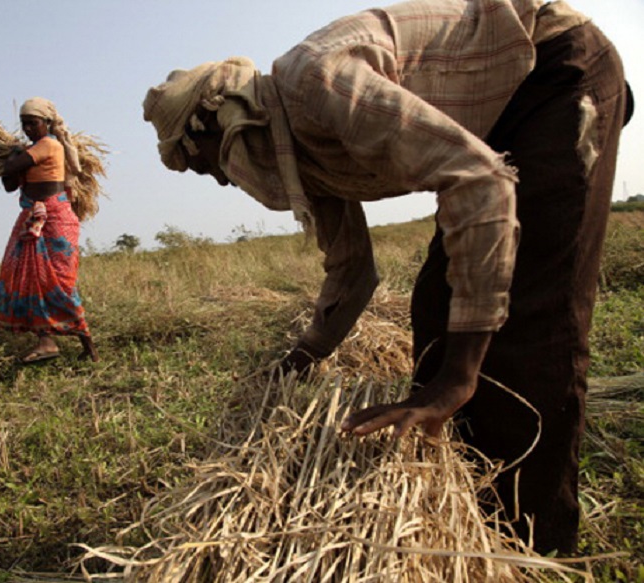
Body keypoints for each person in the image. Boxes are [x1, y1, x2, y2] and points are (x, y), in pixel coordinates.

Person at [142, 0, 633, 555]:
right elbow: (352, 269)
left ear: (214, 119)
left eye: (204, 163)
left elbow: (478, 181)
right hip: (499, 117)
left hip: (548, 72)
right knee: (433, 307)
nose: (221, 183)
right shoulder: (297, 154)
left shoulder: (315, 82)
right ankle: (475, 493)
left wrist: (456, 378)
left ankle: (537, 544)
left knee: (529, 314)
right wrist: (300, 357)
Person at [0, 97, 99, 364]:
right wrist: (14, 159)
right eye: (24, 124)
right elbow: (8, 183)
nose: (28, 128)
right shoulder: (31, 150)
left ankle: (89, 346)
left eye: (33, 123)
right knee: (31, 280)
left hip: (55, 219)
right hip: (31, 216)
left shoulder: (49, 145)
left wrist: (13, 156)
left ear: (47, 123)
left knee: (61, 285)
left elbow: (11, 168)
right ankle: (46, 342)